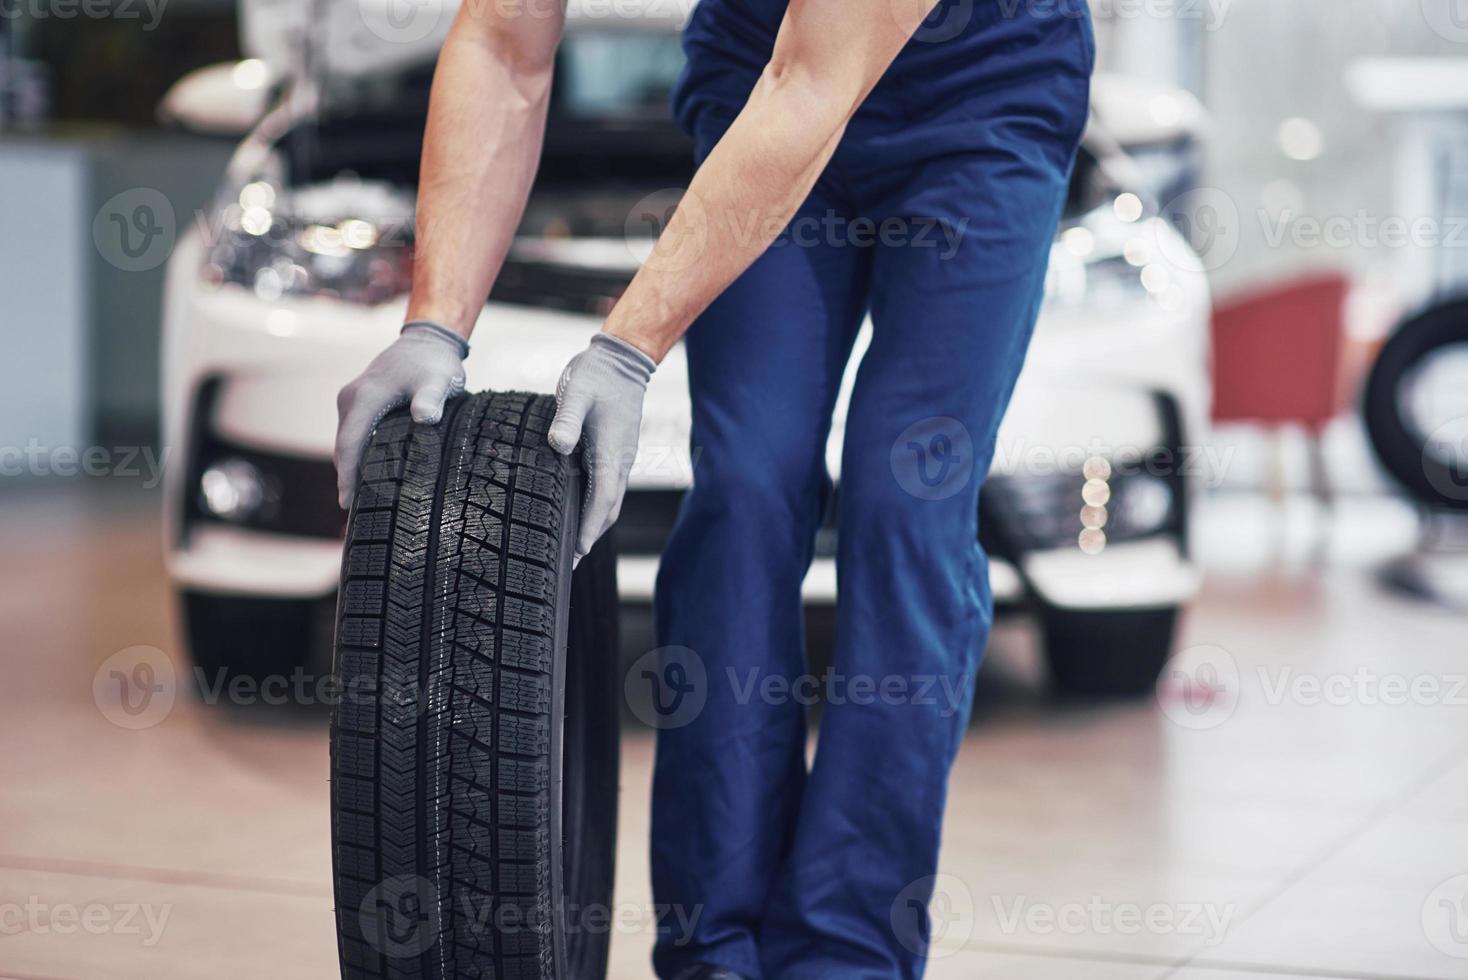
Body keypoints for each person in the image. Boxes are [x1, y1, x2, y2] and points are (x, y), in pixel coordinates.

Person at [335, 0, 1093, 976]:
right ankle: (712, 944)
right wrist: (433, 324)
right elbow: (501, 42)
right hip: (759, 65)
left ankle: (847, 946)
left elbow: (814, 84)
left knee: (904, 498)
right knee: (745, 485)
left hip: (981, 95)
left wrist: (627, 348)